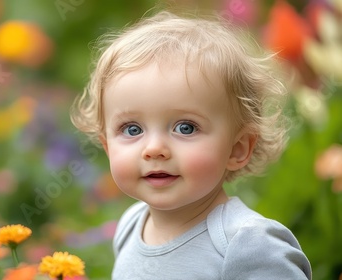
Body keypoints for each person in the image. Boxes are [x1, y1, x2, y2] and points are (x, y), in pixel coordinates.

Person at [70, 10, 312, 279]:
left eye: (185, 128)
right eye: (132, 129)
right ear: (107, 146)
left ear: (238, 148)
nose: (154, 148)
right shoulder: (132, 224)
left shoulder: (247, 244)